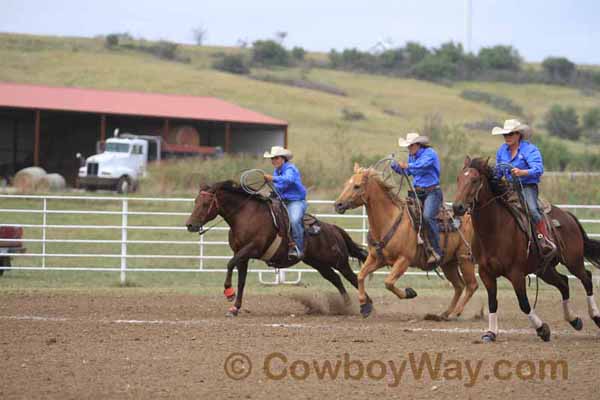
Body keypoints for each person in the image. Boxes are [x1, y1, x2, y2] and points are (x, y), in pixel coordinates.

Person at [492, 119, 556, 256]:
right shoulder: (502, 150)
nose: (507, 137)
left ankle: (544, 239)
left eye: (511, 134)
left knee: (532, 209)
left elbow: (538, 169)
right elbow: (498, 171)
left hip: (527, 186)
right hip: (508, 187)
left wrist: (523, 172)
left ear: (518, 135)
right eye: (505, 135)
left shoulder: (529, 150)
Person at [391, 132, 443, 266]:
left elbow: (421, 165)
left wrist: (406, 166)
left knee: (427, 217)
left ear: (418, 144)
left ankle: (437, 251)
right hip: (416, 193)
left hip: (432, 192)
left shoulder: (430, 154)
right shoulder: (412, 156)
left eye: (411, 145)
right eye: (408, 146)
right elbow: (408, 172)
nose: (409, 148)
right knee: (404, 216)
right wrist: (396, 166)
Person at [263, 146, 308, 261]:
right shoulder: (277, 171)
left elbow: (288, 179)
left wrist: (272, 178)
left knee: (294, 220)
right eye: (272, 158)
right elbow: (280, 187)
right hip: (282, 202)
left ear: (283, 159)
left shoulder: (290, 169)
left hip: (296, 201)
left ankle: (298, 248)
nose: (273, 161)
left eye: (276, 158)